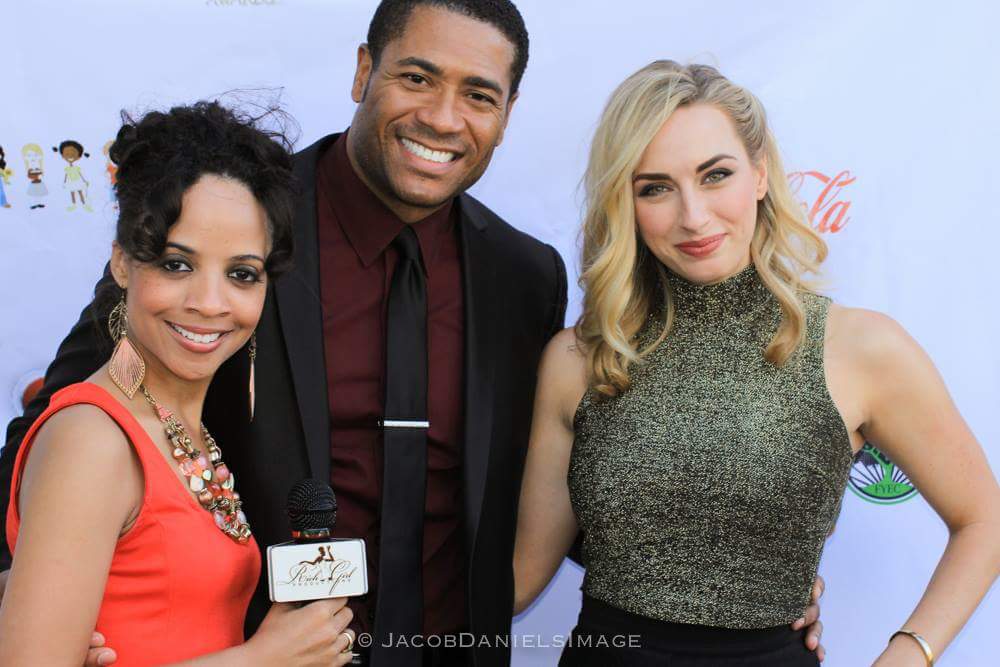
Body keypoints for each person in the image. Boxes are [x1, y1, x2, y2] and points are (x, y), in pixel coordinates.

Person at [0, 4, 825, 666]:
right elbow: (64, 422)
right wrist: (43, 603)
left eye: (478, 94)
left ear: (506, 115)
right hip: (259, 648)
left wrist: (738, 564)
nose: (442, 116)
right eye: (417, 77)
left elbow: (558, 481)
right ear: (364, 71)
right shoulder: (239, 219)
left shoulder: (524, 276)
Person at [513, 60, 1000, 666]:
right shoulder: (581, 359)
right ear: (625, 202)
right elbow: (518, 577)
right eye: (655, 187)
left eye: (715, 175)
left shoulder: (860, 349)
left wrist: (908, 653)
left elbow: (984, 519)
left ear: (761, 174)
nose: (693, 215)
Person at [0, 102, 357, 665]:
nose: (210, 304)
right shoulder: (92, 440)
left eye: (241, 274)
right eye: (176, 264)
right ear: (122, 262)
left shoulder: (182, 426)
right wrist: (265, 659)